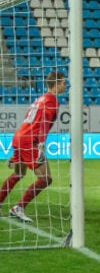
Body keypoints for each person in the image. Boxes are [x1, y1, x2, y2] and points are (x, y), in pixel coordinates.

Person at [1, 71, 67, 223]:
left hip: (21, 136)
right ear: (56, 84)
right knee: (45, 178)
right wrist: (41, 148)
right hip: (30, 140)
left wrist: (19, 147)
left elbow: (28, 118)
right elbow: (43, 124)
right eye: (63, 82)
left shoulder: (40, 99)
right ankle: (19, 208)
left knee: (18, 174)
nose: (65, 85)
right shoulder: (51, 101)